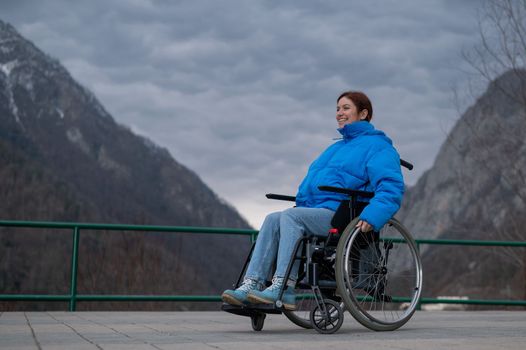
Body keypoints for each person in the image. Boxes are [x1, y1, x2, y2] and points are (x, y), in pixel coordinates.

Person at [221, 91, 404, 310]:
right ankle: (252, 285)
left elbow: (391, 187)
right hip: (318, 211)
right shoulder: (335, 148)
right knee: (272, 218)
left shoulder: (378, 146)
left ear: (363, 113)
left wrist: (373, 215)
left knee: (291, 217)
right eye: (337, 109)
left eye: (346, 108)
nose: (339, 113)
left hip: (342, 214)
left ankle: (283, 287)